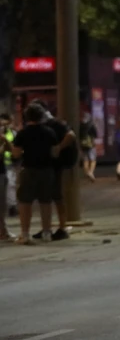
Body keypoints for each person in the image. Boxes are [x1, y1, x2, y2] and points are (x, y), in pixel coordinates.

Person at [11, 103, 58, 244]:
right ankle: (47, 232)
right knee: (46, 202)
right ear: (42, 116)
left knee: (25, 202)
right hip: (46, 170)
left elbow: (16, 153)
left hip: (28, 169)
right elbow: (55, 153)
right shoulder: (50, 132)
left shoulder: (22, 133)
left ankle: (25, 234)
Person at [33, 101, 76, 241]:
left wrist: (58, 148)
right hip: (47, 165)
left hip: (55, 165)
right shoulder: (45, 125)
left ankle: (62, 227)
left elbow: (71, 135)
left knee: (56, 196)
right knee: (47, 198)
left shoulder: (54, 124)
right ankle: (48, 227)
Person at [79, 113, 98, 181]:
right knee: (93, 160)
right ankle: (91, 172)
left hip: (82, 144)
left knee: (85, 160)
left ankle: (87, 172)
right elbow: (95, 135)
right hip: (91, 144)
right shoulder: (91, 125)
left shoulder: (80, 125)